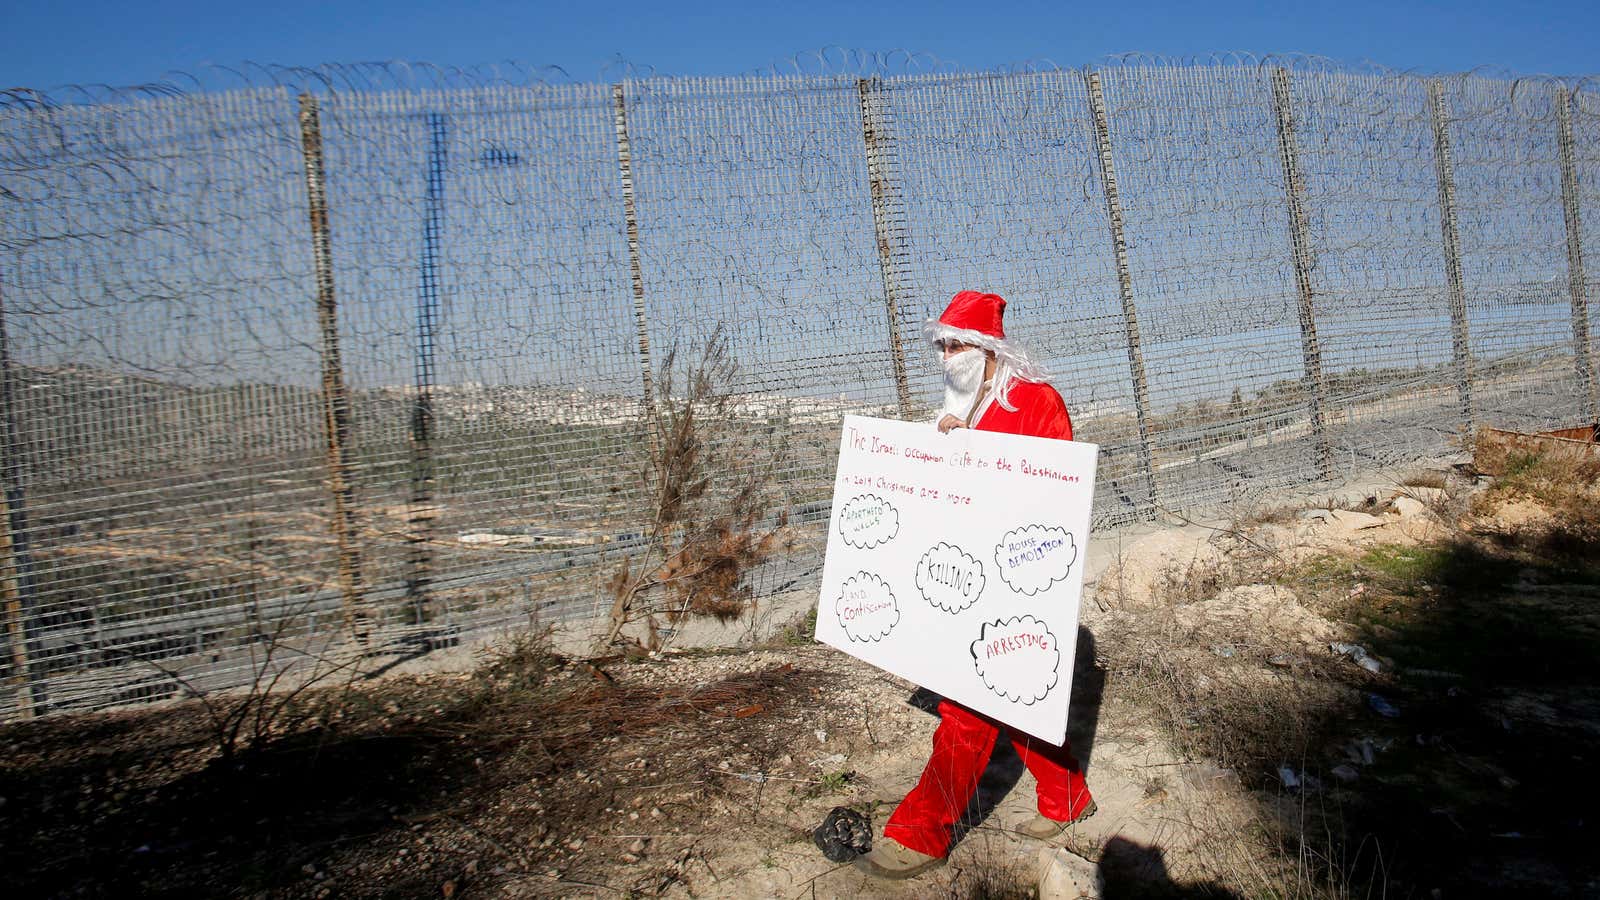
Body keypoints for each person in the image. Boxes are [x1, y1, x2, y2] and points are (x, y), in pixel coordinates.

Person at [854, 290, 1096, 880]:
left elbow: (1052, 497)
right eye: (940, 345)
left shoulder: (1036, 404)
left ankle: (919, 831)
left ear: (989, 349)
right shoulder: (952, 412)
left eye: (956, 344)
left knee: (969, 707)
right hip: (965, 580)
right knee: (1008, 692)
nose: (946, 357)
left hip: (1018, 582)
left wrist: (975, 455)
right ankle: (1066, 796)